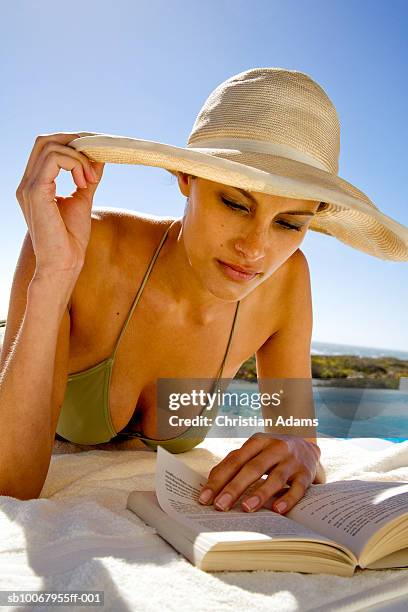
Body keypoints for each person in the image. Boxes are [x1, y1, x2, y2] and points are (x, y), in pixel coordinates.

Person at [1, 68, 407, 510]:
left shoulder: (286, 282)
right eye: (235, 203)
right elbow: (10, 486)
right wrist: (54, 276)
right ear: (186, 178)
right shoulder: (82, 244)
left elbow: (293, 429)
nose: (254, 249)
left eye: (289, 223)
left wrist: (301, 448)